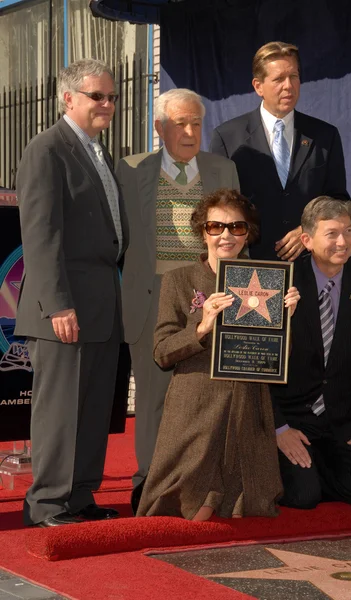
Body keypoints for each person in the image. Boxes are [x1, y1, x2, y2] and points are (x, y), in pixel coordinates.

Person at [136, 188, 300, 520]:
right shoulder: (178, 280)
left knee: (246, 512)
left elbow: (277, 360)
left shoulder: (268, 280)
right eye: (216, 227)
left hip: (246, 403)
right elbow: (161, 352)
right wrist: (202, 324)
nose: (227, 235)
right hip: (196, 406)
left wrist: (287, 320)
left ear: (248, 234)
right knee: (183, 511)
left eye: (237, 227)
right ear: (202, 231)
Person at [15, 59, 129, 527]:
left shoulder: (100, 152)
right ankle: (47, 505)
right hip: (64, 307)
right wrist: (58, 303)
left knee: (92, 409)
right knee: (60, 413)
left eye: (112, 97)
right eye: (96, 96)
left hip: (103, 303)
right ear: (68, 99)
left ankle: (79, 498)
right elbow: (41, 236)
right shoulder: (47, 150)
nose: (108, 104)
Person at [116, 89, 240, 512]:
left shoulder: (223, 169)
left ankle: (201, 479)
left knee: (203, 391)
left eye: (196, 124)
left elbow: (236, 236)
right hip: (152, 295)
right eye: (180, 124)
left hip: (208, 292)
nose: (189, 132)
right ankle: (148, 481)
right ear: (159, 127)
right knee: (153, 397)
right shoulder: (130, 170)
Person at [270, 196, 351, 509]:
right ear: (307, 240)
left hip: (344, 421)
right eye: (332, 234)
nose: (343, 242)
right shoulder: (280, 281)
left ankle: (316, 470)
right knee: (303, 497)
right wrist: (278, 428)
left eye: (349, 231)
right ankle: (300, 471)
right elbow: (260, 363)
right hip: (293, 420)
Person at [210, 41, 350, 262]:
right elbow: (218, 207)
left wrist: (307, 229)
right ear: (258, 86)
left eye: (294, 76)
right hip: (250, 265)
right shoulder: (227, 137)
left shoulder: (325, 136)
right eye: (278, 79)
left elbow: (338, 200)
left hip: (310, 264)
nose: (289, 86)